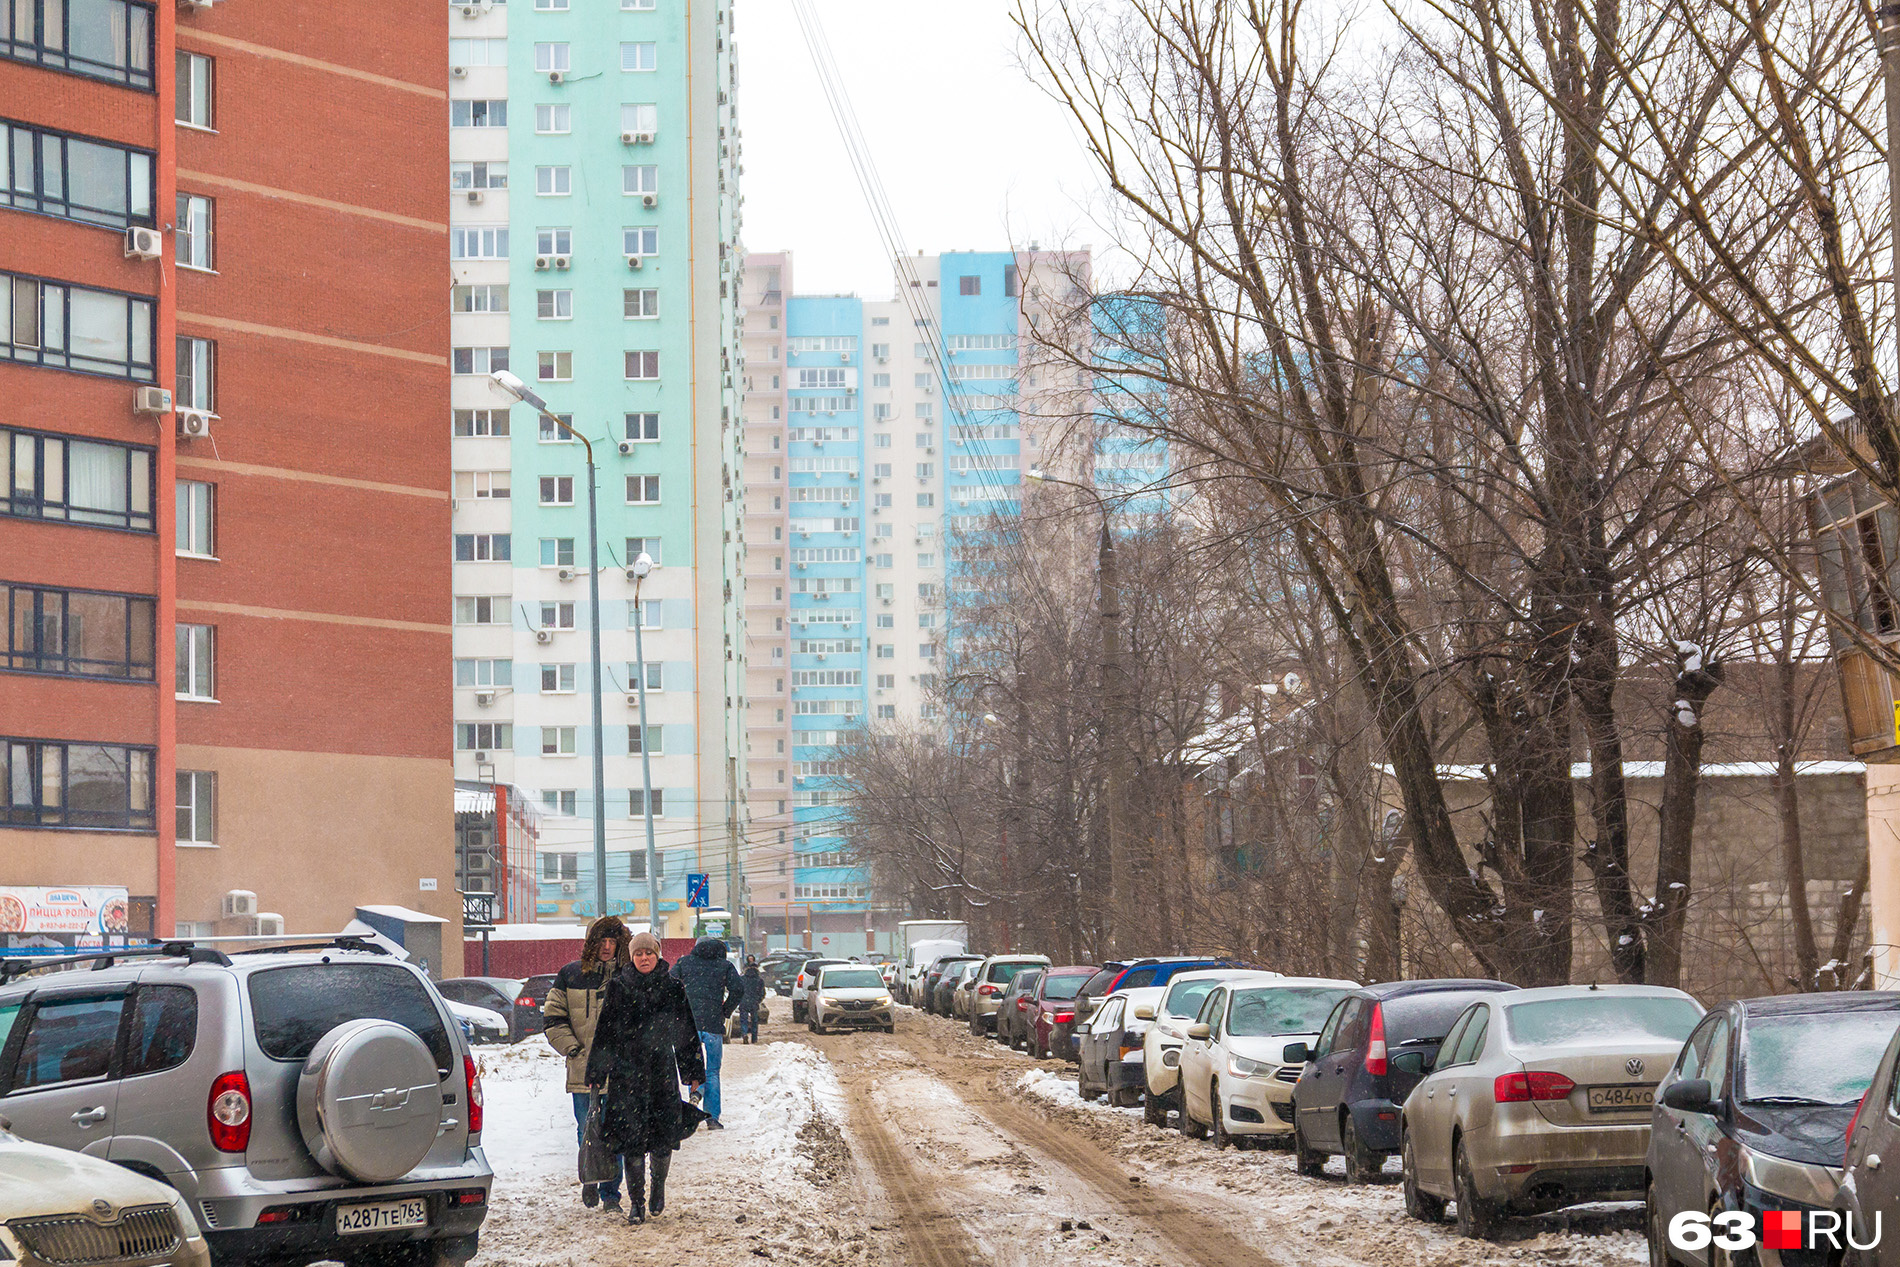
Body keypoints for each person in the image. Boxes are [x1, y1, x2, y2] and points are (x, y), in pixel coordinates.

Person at [586, 930, 705, 1225]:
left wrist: (691, 1071)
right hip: (626, 1075)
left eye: (649, 953)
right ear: (632, 956)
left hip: (661, 1072)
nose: (644, 958)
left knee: (664, 1138)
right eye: (638, 953)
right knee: (631, 1140)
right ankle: (636, 1202)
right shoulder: (618, 987)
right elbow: (606, 1033)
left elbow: (686, 1032)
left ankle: (658, 1186)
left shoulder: (672, 987)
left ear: (658, 954)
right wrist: (597, 1071)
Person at [543, 915, 630, 1210]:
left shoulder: (626, 976)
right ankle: (590, 1180)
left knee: (614, 1131)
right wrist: (573, 1050)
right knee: (587, 1129)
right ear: (590, 943)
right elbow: (553, 1019)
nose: (606, 947)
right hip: (583, 1069)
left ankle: (610, 1194)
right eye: (601, 941)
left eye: (612, 941)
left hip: (618, 1071)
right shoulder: (570, 975)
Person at [671, 936, 743, 1127]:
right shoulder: (724, 965)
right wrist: (725, 1010)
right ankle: (712, 1118)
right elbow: (738, 989)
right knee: (712, 1071)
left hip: (689, 1025)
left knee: (692, 1068)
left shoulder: (684, 963)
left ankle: (695, 1099)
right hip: (712, 1024)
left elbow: (670, 984)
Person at [738, 956, 766, 1044]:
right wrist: (758, 1000)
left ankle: (744, 1033)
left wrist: (739, 999)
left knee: (743, 1019)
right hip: (754, 1002)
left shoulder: (742, 979)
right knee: (754, 1021)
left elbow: (737, 990)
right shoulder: (759, 980)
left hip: (743, 1001)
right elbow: (762, 993)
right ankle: (754, 1038)